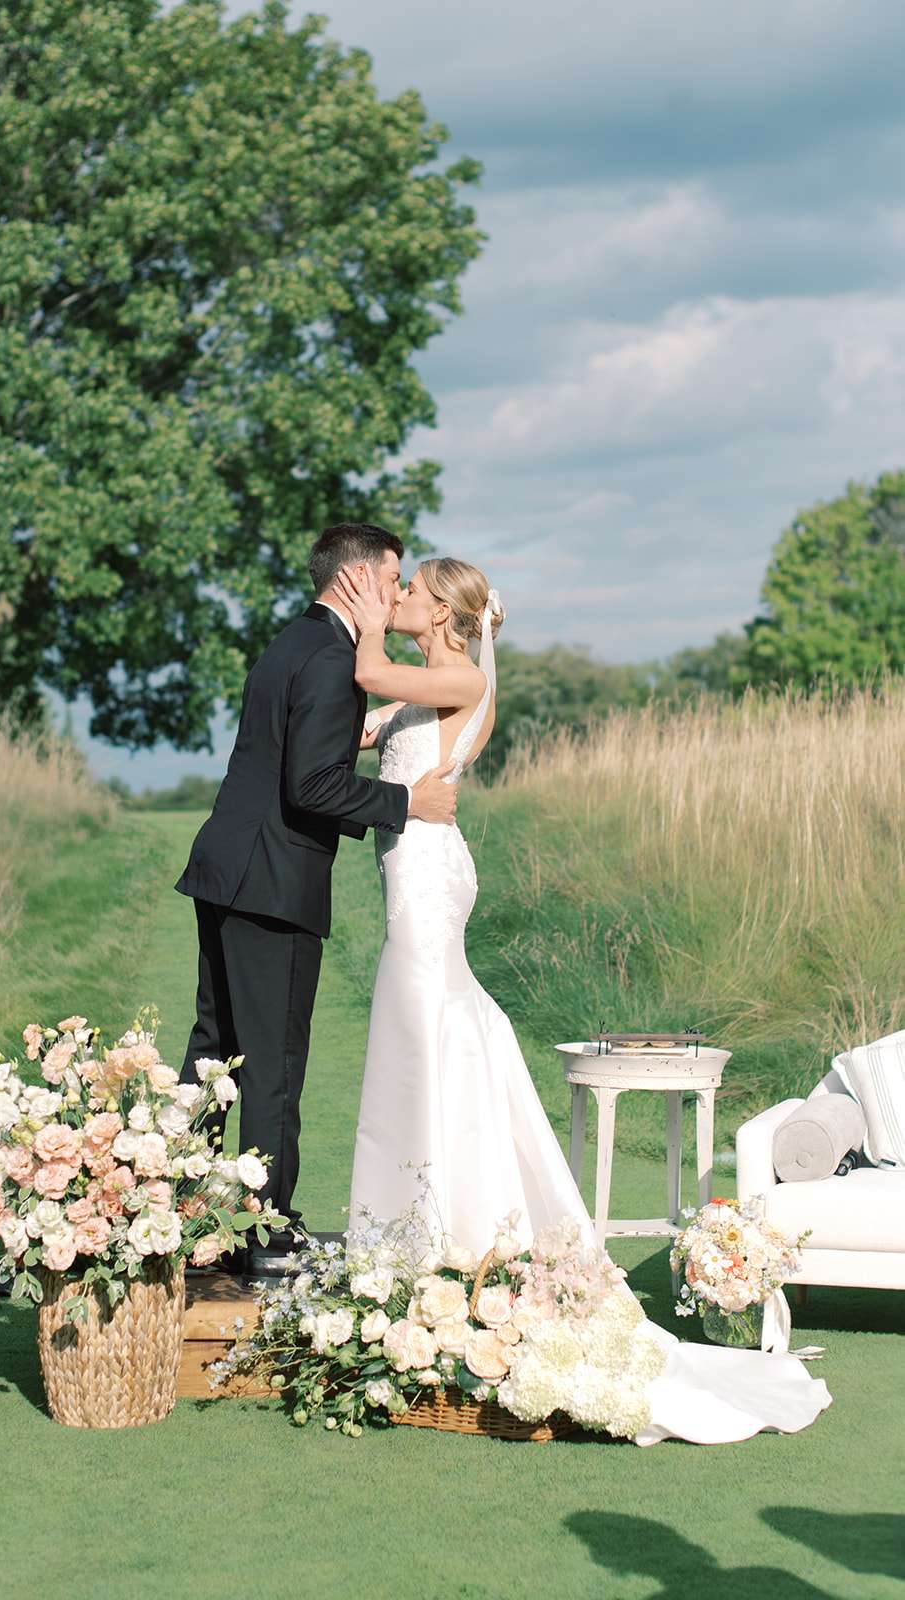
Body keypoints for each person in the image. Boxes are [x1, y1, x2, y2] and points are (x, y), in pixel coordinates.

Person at [337, 555, 832, 1446]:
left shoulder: (454, 672)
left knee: (419, 1030)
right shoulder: (438, 684)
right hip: (417, 868)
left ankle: (434, 1240)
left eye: (409, 590)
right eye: (392, 587)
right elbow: (370, 719)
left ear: (442, 610)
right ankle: (425, 1233)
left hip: (426, 877)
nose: (397, 595)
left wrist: (363, 612)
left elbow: (369, 670)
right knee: (428, 1039)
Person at [174, 523, 458, 1271]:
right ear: (357, 580)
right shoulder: (333, 659)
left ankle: (183, 1212)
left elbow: (294, 754)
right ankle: (264, 1231)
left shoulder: (293, 641)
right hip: (273, 884)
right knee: (270, 1060)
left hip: (228, 865)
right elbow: (312, 787)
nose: (399, 593)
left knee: (215, 1053)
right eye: (394, 579)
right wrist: (406, 804)